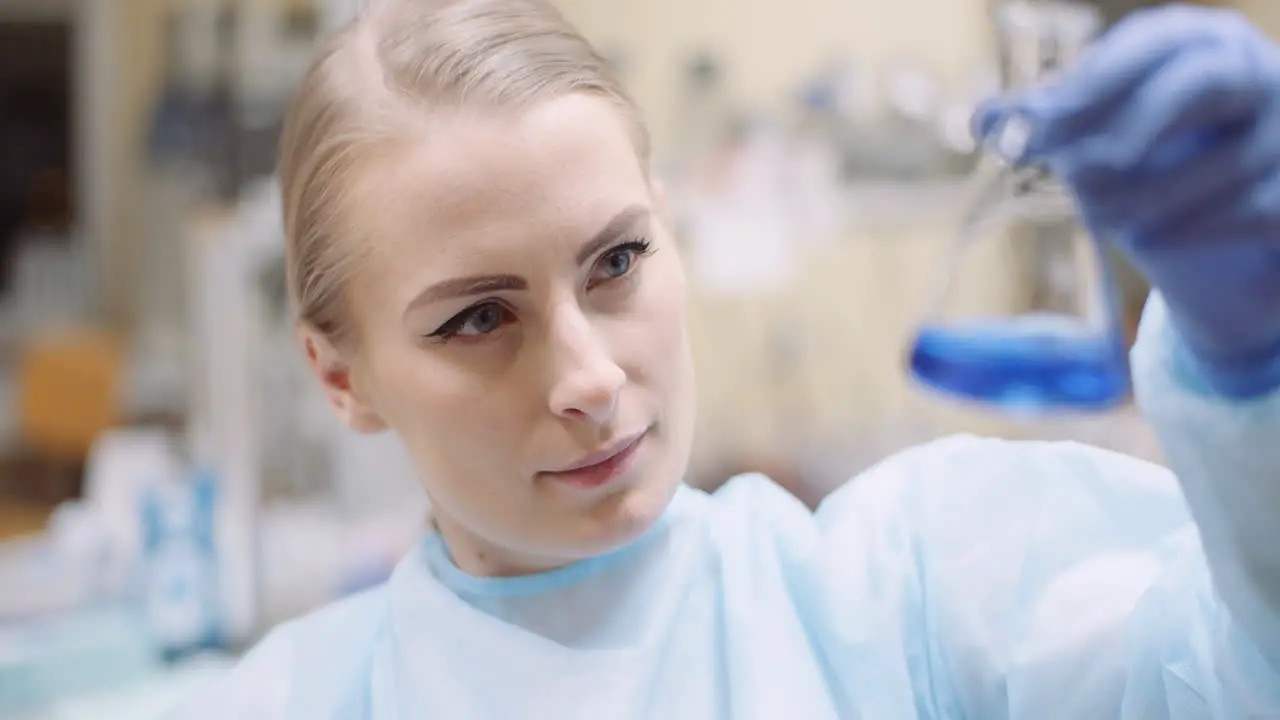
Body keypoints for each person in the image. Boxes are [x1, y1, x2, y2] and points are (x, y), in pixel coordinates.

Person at [171, 1, 1280, 717]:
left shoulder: (910, 596)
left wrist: (1255, 375)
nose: (591, 380)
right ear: (341, 377)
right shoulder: (284, 699)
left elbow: (1223, 680)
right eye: (476, 320)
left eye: (615, 260)